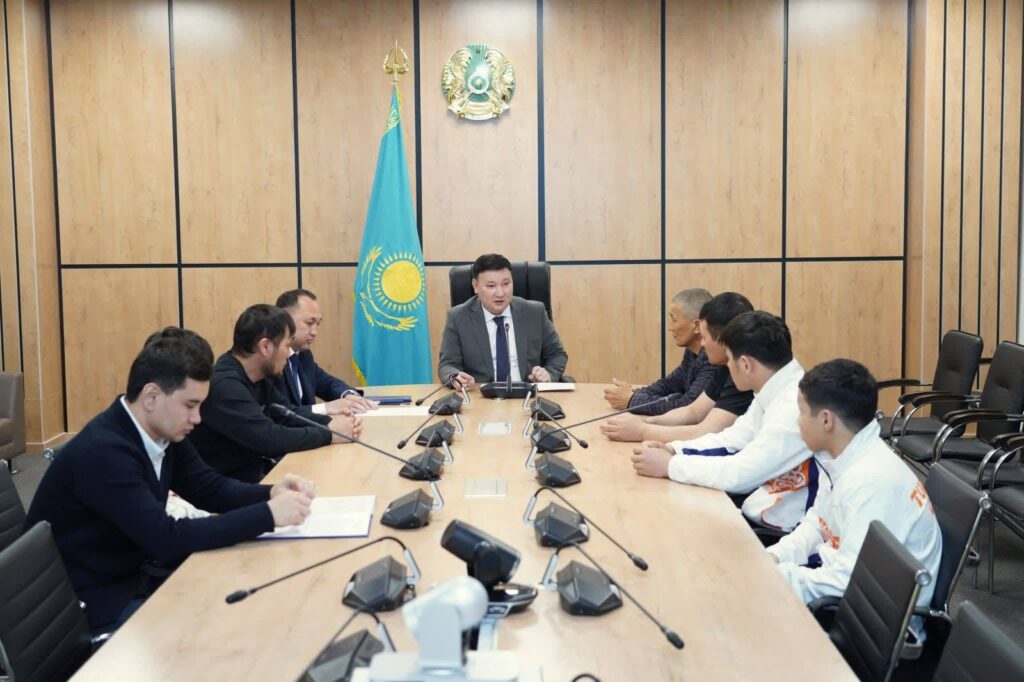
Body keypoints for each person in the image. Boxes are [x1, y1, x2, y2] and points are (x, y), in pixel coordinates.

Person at [23, 328, 317, 634]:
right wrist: (268, 515)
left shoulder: (162, 431)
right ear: (151, 396)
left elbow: (210, 489)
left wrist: (271, 493)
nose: (197, 418)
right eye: (190, 405)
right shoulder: (104, 452)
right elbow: (165, 539)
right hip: (87, 605)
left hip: (131, 573)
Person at [768, 359, 941, 640]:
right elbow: (817, 524)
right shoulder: (840, 456)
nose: (797, 422)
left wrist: (777, 577)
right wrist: (774, 557)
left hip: (872, 625)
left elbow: (848, 580)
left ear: (826, 420)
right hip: (845, 594)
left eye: (801, 412)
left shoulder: (870, 483)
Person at [630, 311, 822, 531]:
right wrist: (674, 449)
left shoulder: (794, 407)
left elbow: (742, 474)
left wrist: (670, 465)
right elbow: (732, 440)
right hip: (759, 511)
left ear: (746, 364)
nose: (727, 365)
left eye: (729, 359)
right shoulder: (775, 388)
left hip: (779, 532)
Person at [189, 304, 360, 483]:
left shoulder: (258, 377)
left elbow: (288, 414)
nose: (289, 354)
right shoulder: (226, 386)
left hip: (253, 477)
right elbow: (268, 438)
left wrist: (334, 424)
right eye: (287, 345)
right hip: (226, 487)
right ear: (265, 347)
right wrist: (329, 433)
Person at [601, 292, 754, 443]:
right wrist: (645, 423)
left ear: (724, 341)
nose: (702, 343)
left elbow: (706, 431)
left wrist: (642, 430)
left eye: (705, 337)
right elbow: (693, 411)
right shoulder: (725, 367)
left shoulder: (742, 374)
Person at [438, 253, 568, 388]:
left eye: (506, 284)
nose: (500, 293)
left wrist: (548, 374)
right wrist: (455, 377)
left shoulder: (535, 313)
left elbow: (557, 355)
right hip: (480, 396)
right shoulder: (458, 317)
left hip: (527, 393)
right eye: (491, 286)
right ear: (475, 286)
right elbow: (447, 365)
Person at [603, 288, 718, 416]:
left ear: (696, 326)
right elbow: (670, 384)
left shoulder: (713, 358)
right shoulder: (692, 352)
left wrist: (631, 400)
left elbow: (688, 406)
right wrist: (633, 394)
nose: (670, 328)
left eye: (674, 320)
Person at [274, 288, 377, 414]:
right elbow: (278, 413)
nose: (314, 332)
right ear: (285, 320)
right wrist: (325, 408)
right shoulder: (271, 360)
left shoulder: (303, 355)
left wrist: (348, 395)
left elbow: (327, 384)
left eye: (317, 324)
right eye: (309, 322)